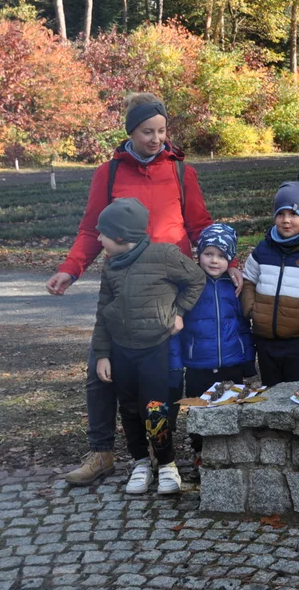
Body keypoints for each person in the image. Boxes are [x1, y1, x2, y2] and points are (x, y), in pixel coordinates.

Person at [49, 92, 237, 487]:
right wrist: (71, 268)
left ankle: (177, 454)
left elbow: (200, 225)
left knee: (172, 370)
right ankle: (102, 451)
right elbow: (90, 229)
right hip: (122, 281)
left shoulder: (182, 172)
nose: (157, 139)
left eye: (162, 131)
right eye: (147, 132)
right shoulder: (110, 173)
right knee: (102, 368)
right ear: (130, 132)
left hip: (171, 282)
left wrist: (228, 264)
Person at [90, 198, 206, 495]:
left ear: (120, 237)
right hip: (120, 350)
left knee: (155, 410)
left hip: (154, 349)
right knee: (128, 409)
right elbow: (104, 310)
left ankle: (166, 463)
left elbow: (196, 278)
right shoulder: (111, 266)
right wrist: (103, 354)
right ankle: (141, 462)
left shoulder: (164, 255)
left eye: (102, 233)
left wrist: (179, 312)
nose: (98, 237)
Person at [170, 224, 254, 460]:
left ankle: (228, 454)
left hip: (231, 363)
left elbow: (242, 326)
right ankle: (200, 453)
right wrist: (177, 364)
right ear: (199, 255)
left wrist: (248, 360)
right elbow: (177, 329)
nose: (214, 261)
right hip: (198, 364)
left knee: (229, 410)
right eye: (208, 254)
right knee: (199, 412)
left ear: (231, 259)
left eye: (221, 255)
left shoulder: (235, 286)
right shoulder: (190, 285)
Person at [241, 182, 299, 386]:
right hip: (265, 340)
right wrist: (251, 309)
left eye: (293, 214)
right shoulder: (263, 249)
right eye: (280, 214)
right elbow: (248, 280)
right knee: (271, 392)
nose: (286, 221)